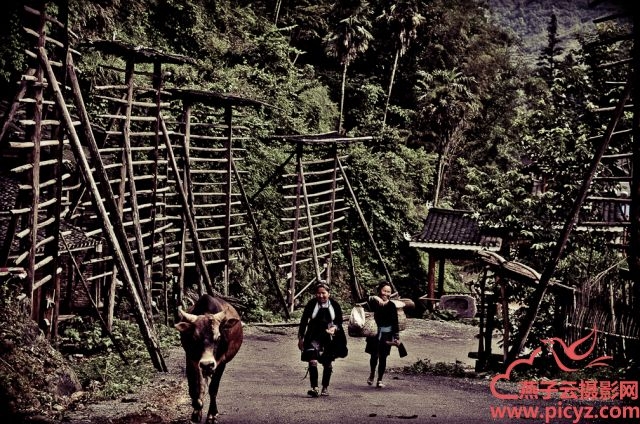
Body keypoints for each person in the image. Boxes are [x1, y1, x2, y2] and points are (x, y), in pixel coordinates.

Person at [298, 282, 346, 397]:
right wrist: (301, 338)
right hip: (313, 335)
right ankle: (314, 388)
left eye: (323, 293)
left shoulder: (334, 305)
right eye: (318, 293)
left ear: (329, 293)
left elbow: (339, 321)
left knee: (327, 362)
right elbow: (304, 321)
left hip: (329, 336)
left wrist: (335, 328)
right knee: (312, 360)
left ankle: (325, 387)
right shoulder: (311, 304)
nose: (321, 296)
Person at [365, 281, 400, 388]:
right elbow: (362, 301)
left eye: (388, 292)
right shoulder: (374, 303)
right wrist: (374, 297)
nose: (386, 293)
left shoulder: (392, 305)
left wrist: (396, 336)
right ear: (380, 291)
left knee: (383, 357)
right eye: (384, 291)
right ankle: (372, 373)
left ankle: (379, 379)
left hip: (386, 335)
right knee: (374, 356)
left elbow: (395, 322)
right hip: (374, 334)